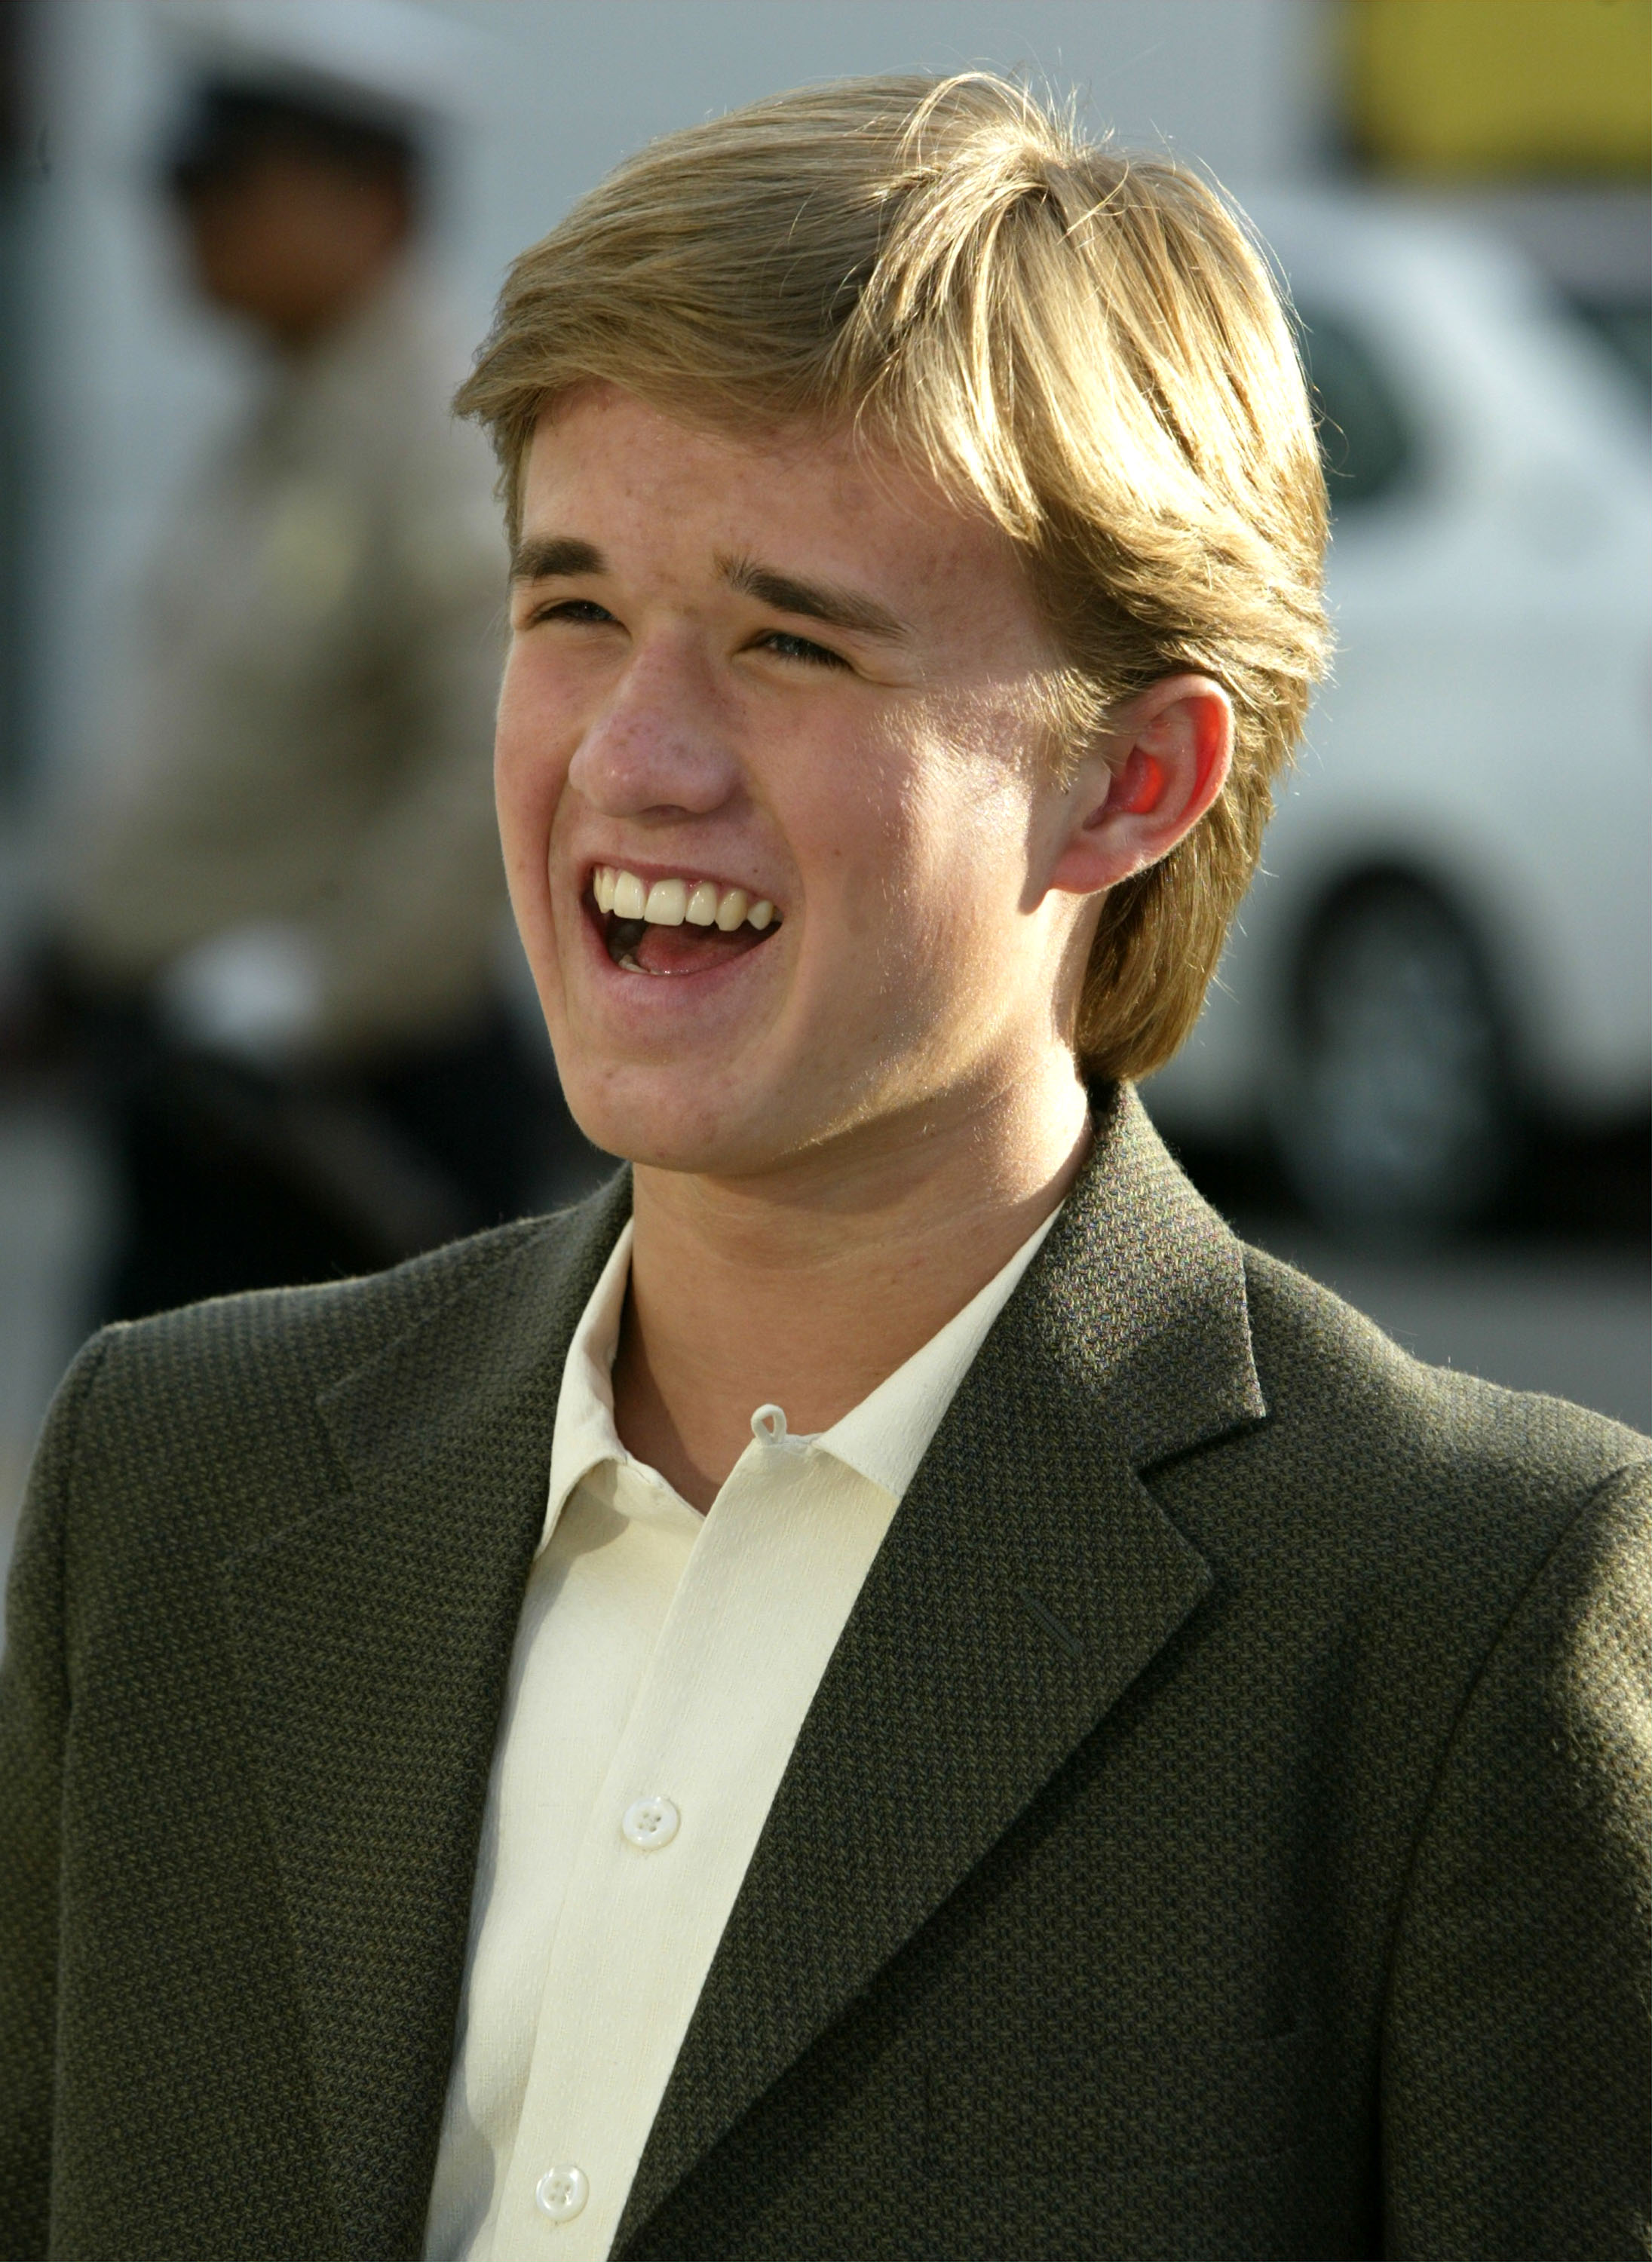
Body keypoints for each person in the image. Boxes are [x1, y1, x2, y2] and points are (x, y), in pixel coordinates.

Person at [2, 73, 1647, 2262]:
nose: (633, 756)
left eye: (794, 639)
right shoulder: (169, 1482)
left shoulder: (1459, 1616)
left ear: (1130, 781)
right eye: (571, 603)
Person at [35, 66, 582, 1319]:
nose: (188, 219)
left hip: (334, 1105)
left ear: (374, 206)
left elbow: (489, 747)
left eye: (231, 184)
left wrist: (326, 986)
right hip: (201, 1082)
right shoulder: (295, 416)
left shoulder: (426, 436)